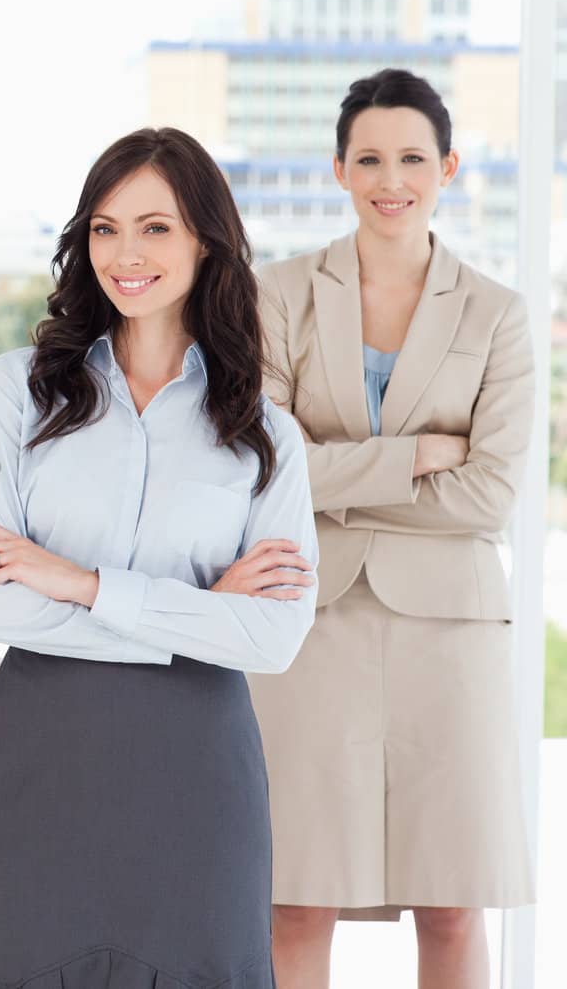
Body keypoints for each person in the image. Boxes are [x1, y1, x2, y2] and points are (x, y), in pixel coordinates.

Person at [0, 127, 319, 988]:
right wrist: (199, 612)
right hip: (43, 759)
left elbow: (273, 640)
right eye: (106, 227)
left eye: (156, 227)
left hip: (197, 772)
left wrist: (79, 583)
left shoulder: (266, 434)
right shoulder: (16, 391)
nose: (127, 253)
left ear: (205, 239)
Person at [249, 68, 535, 989]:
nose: (390, 177)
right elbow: (263, 473)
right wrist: (413, 456)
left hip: (450, 637)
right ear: (339, 169)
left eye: (412, 157)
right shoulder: (279, 294)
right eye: (369, 158)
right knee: (296, 894)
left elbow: (490, 494)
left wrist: (326, 476)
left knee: (452, 903)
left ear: (448, 166)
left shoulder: (498, 313)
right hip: (308, 623)